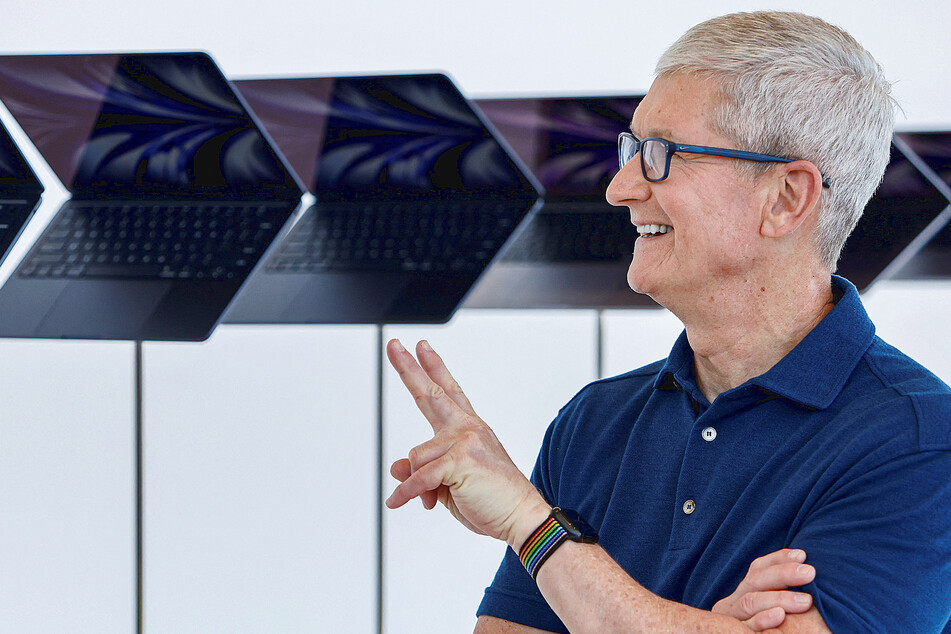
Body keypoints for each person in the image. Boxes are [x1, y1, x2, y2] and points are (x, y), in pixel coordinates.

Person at [385, 10, 951, 634]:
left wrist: (532, 523)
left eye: (661, 155)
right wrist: (706, 624)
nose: (620, 187)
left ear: (786, 198)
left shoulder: (923, 442)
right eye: (631, 149)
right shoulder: (593, 422)